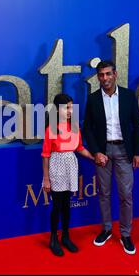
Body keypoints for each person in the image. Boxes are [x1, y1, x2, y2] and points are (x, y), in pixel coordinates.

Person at [83, 60, 139, 255]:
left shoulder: (128, 96)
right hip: (103, 152)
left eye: (108, 74)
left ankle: (126, 234)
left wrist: (138, 152)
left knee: (126, 195)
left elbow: (137, 125)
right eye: (101, 75)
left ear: (115, 74)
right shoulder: (93, 99)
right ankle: (107, 229)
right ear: (98, 77)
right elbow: (87, 129)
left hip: (124, 151)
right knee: (104, 193)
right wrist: (96, 152)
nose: (105, 78)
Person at [42, 93, 94, 257]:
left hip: (71, 165)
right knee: (57, 206)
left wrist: (94, 157)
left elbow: (79, 148)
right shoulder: (51, 128)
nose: (70, 111)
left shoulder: (75, 127)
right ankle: (53, 239)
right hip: (56, 167)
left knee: (66, 205)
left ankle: (66, 236)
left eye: (72, 107)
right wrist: (46, 178)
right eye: (67, 108)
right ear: (58, 110)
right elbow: (45, 155)